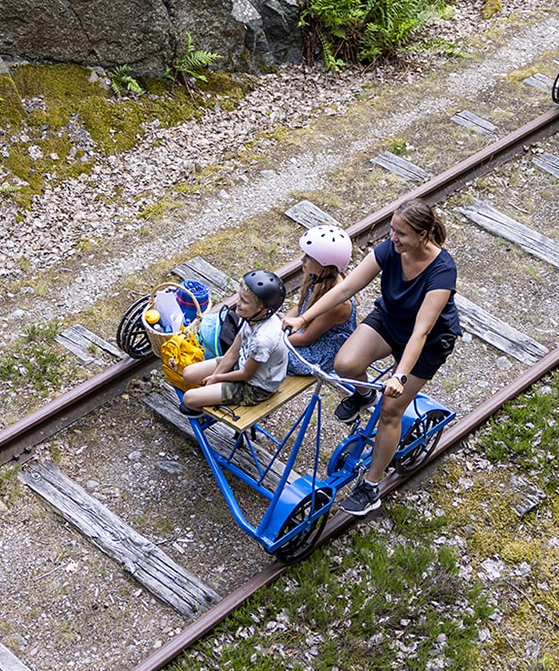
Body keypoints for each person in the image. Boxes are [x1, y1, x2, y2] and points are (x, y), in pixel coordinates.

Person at [283, 199, 460, 517]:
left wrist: (399, 375)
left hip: (428, 341)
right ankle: (364, 396)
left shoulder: (442, 271)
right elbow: (344, 289)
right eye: (392, 230)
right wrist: (303, 318)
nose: (393, 238)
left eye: (401, 234)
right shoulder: (391, 249)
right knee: (345, 364)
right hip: (390, 320)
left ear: (423, 235)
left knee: (391, 412)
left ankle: (371, 486)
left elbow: (421, 331)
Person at [178, 269, 289, 414]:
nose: (237, 303)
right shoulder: (251, 317)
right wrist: (214, 379)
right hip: (242, 364)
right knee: (188, 373)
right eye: (239, 297)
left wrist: (217, 377)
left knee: (189, 398)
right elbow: (232, 353)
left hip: (255, 386)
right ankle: (212, 396)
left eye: (244, 301)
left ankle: (208, 410)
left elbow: (246, 374)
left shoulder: (263, 340)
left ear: (262, 309)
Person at [286, 225, 357, 372]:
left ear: (325, 265)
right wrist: (278, 327)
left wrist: (275, 341)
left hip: (320, 350)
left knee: (267, 356)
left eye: (309, 257)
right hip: (307, 334)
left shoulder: (338, 303)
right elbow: (301, 307)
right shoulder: (317, 276)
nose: (302, 259)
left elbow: (306, 339)